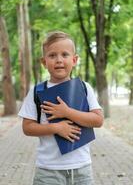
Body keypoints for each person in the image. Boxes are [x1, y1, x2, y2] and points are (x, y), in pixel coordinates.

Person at [18, 31, 104, 185]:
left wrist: (66, 112)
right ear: (44, 62)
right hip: (48, 170)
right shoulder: (37, 91)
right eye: (52, 55)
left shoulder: (84, 88)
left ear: (74, 59)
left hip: (82, 169)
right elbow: (27, 128)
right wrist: (56, 128)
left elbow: (98, 120)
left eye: (65, 55)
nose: (59, 60)